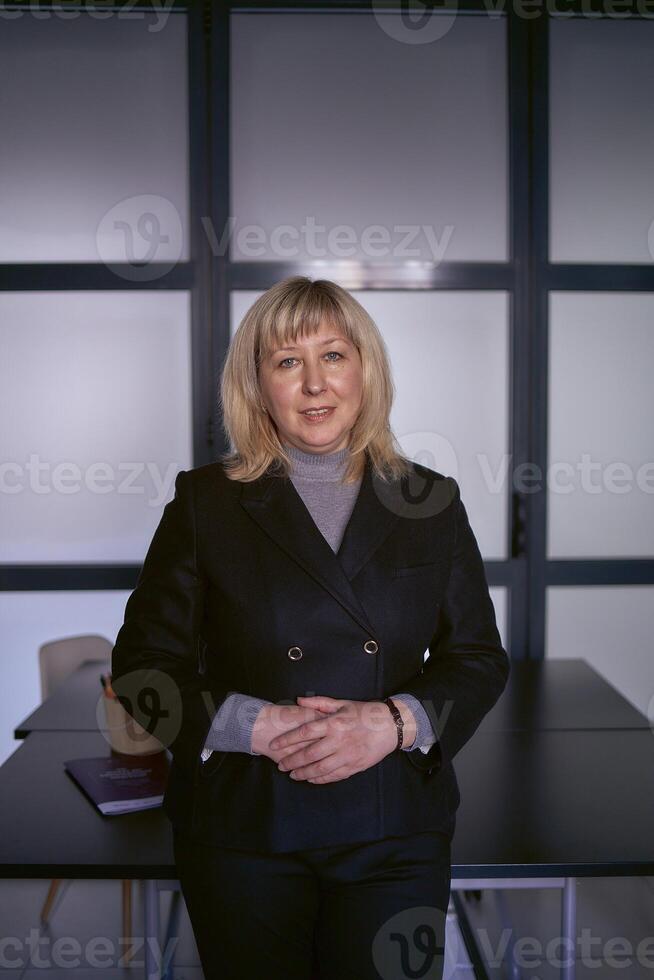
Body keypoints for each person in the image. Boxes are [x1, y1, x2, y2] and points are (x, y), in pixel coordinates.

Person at [111, 275, 510, 980]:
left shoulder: (430, 502)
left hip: (394, 827)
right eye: (287, 361)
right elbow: (144, 669)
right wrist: (254, 727)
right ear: (259, 385)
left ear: (366, 371)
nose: (315, 383)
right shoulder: (205, 503)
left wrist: (391, 723)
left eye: (334, 355)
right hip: (245, 829)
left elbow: (477, 658)